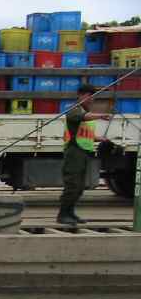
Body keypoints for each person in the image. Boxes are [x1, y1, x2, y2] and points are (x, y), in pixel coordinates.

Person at [58, 84, 111, 225]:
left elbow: (85, 134)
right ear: (81, 95)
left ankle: (71, 213)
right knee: (72, 184)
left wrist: (100, 139)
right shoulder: (74, 109)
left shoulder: (85, 112)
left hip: (84, 151)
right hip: (74, 152)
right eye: (89, 96)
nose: (91, 99)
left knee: (80, 186)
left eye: (93, 96)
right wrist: (101, 115)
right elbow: (82, 117)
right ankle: (63, 214)